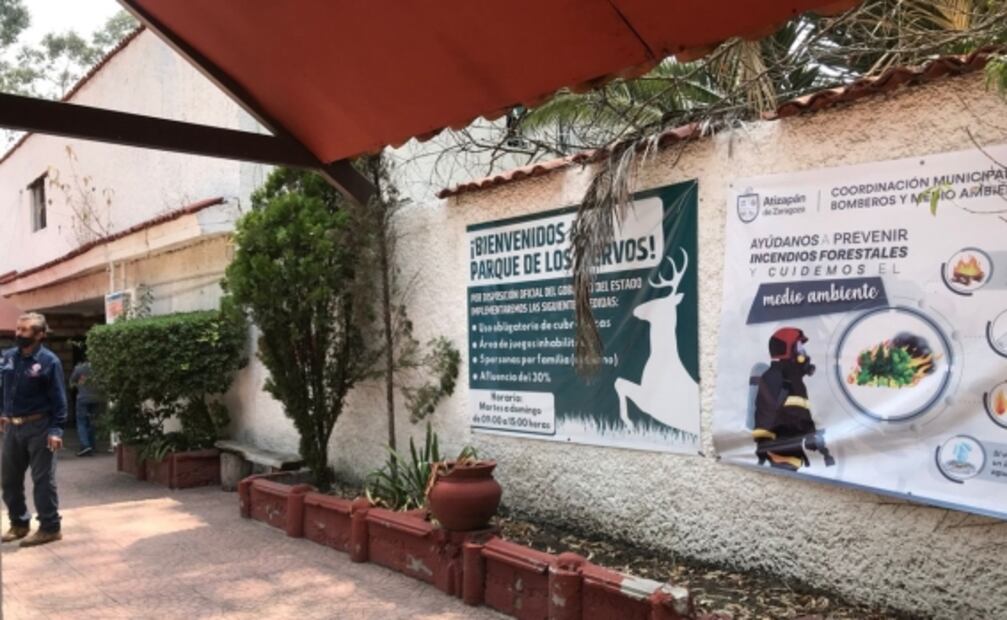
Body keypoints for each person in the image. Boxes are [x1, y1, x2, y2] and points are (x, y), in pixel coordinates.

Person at [0, 312, 67, 547]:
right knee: (9, 480)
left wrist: (56, 430)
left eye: (24, 330)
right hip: (12, 428)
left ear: (39, 335)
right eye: (18, 329)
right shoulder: (8, 357)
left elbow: (59, 399)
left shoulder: (50, 361)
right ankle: (19, 523)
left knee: (43, 481)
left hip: (40, 427)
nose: (18, 333)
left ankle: (50, 527)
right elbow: (3, 388)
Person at [751, 327, 835, 471]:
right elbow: (787, 416)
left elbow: (799, 414)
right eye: (799, 348)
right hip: (780, 455)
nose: (804, 353)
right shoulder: (780, 379)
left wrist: (812, 436)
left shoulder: (790, 379)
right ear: (788, 351)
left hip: (789, 452)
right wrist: (811, 436)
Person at [69, 354, 102, 457]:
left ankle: (85, 445)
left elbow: (72, 381)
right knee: (92, 422)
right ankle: (92, 445)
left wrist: (78, 385)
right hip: (96, 398)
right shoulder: (100, 368)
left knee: (81, 422)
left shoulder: (80, 368)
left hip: (83, 398)